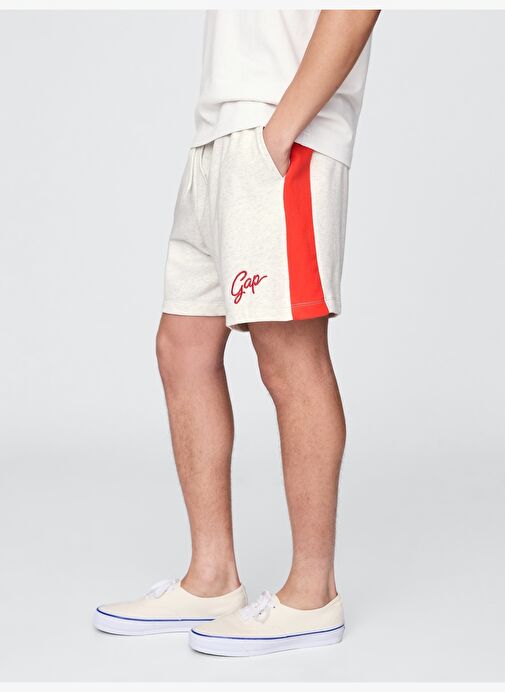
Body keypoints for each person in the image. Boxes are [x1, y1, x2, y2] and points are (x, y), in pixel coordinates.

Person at [94, 9, 380, 657]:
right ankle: (211, 578)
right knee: (182, 348)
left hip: (280, 129)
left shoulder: (281, 130)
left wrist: (282, 129)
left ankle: (312, 595)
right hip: (217, 134)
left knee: (288, 358)